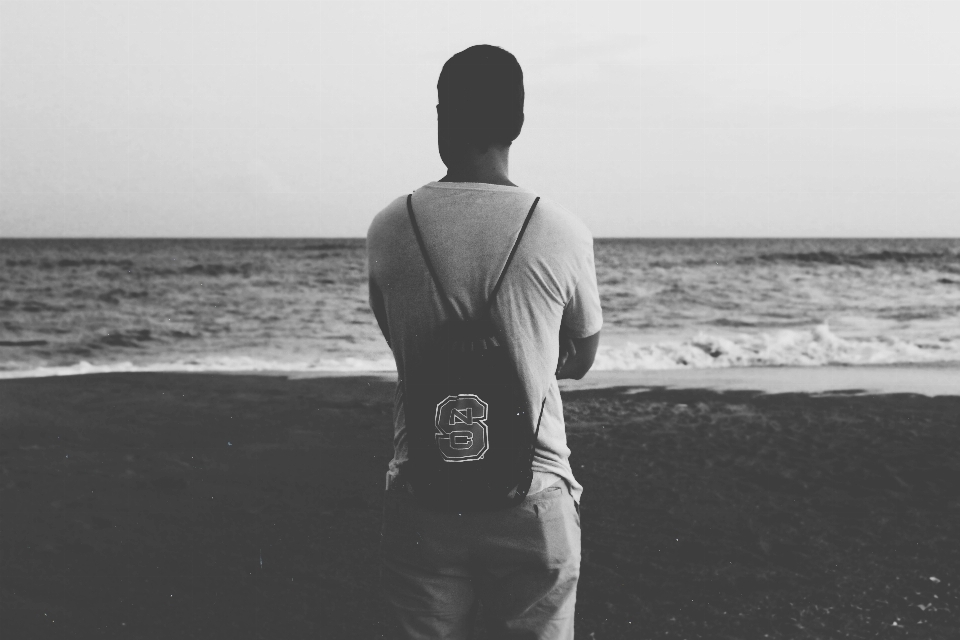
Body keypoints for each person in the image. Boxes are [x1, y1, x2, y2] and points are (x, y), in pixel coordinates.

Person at [367, 44, 603, 640]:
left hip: (426, 489)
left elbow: (399, 340)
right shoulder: (561, 229)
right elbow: (580, 357)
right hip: (533, 490)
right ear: (518, 122)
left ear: (442, 118)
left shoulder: (392, 225)